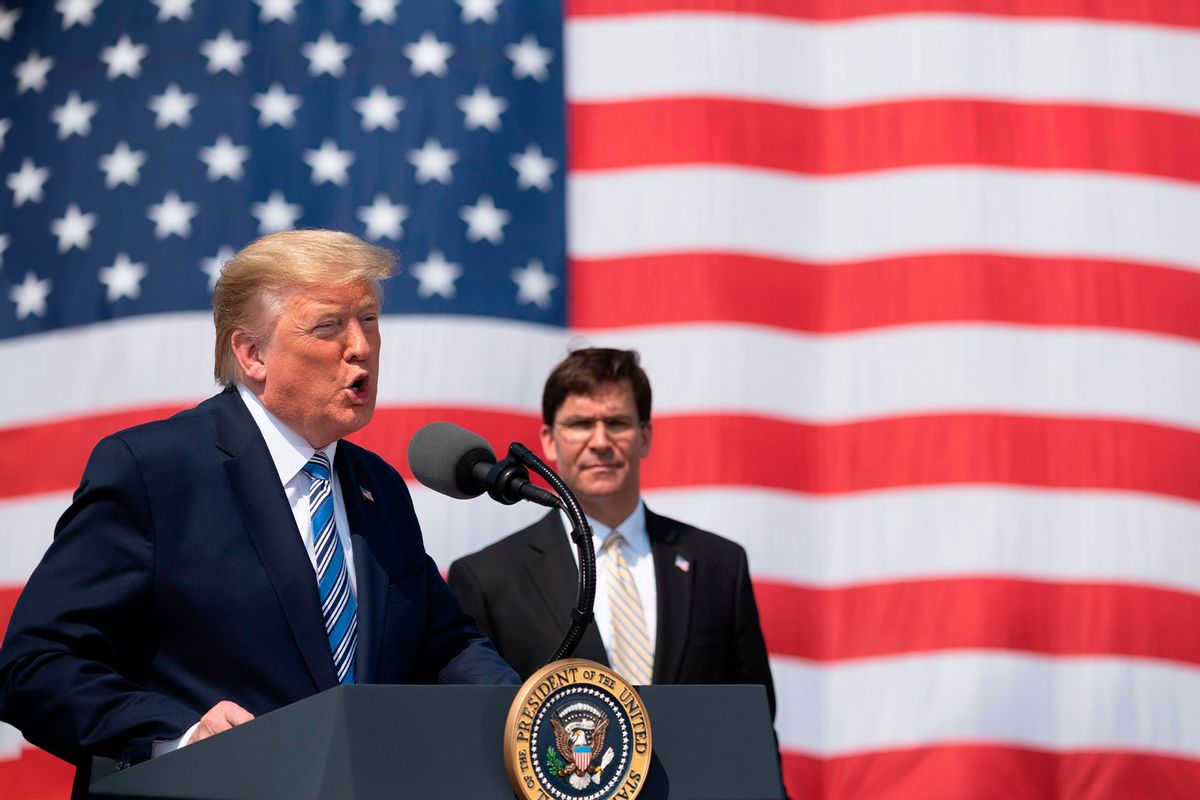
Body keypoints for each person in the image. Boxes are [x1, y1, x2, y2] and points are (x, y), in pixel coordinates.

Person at [0, 230, 518, 792]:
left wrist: (529, 715)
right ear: (252, 354)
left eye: (368, 319)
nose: (361, 346)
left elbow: (443, 646)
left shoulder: (379, 488)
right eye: (328, 326)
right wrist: (180, 736)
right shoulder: (155, 470)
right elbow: (37, 666)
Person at [448, 347, 775, 715]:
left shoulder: (719, 565)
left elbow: (756, 721)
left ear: (645, 436)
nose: (600, 442)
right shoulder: (488, 578)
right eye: (580, 424)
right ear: (549, 440)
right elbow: (472, 725)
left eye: (617, 423)